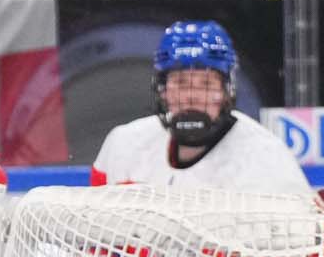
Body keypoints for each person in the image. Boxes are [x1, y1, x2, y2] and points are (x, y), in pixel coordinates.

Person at [89, 20, 309, 193]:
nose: (191, 96)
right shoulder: (123, 146)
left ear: (226, 91)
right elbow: (95, 240)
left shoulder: (267, 160)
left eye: (206, 84)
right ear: (163, 89)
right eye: (180, 83)